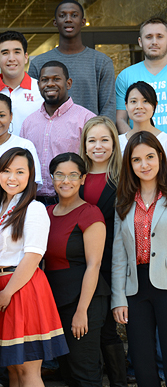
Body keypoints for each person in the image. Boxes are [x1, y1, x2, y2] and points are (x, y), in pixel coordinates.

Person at [0, 147, 68, 387]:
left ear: (30, 176)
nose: (12, 178)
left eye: (20, 172)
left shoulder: (34, 208)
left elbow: (33, 256)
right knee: (14, 372)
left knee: (29, 371)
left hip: (21, 288)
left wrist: (7, 293)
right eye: (6, 171)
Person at [45, 152, 109, 387]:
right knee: (68, 372)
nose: (66, 181)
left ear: (82, 179)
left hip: (84, 301)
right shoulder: (46, 213)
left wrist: (82, 311)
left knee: (85, 372)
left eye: (73, 175)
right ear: (51, 178)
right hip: (56, 300)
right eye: (59, 175)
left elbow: (94, 265)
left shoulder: (90, 212)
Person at [112, 131, 167, 387]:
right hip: (135, 289)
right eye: (136, 160)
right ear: (129, 164)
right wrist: (118, 298)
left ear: (160, 158)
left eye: (149, 157)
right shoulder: (123, 201)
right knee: (143, 362)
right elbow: (119, 255)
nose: (144, 165)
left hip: (165, 284)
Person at [78, 117, 127, 387]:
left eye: (105, 140)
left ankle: (119, 381)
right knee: (92, 328)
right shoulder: (76, 177)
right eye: (92, 140)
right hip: (80, 265)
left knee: (108, 327)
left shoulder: (123, 178)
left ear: (114, 143)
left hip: (112, 264)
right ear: (84, 145)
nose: (98, 146)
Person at [20, 61, 95, 205]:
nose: (50, 84)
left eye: (56, 79)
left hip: (73, 201)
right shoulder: (28, 123)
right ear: (38, 85)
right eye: (44, 80)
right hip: (34, 202)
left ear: (68, 83)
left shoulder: (86, 120)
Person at [28, 0, 116, 120]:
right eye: (62, 15)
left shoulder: (101, 62)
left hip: (89, 135)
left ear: (83, 21)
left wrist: (99, 135)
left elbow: (108, 107)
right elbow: (31, 105)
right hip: (48, 134)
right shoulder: (38, 63)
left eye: (74, 15)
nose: (68, 19)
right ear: (55, 22)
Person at [0, 31, 43, 136]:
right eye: (5, 53)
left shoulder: (41, 90)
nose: (11, 58)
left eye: (17, 52)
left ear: (26, 57)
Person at [116, 17, 167, 133]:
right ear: (140, 41)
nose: (154, 42)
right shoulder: (125, 76)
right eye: (149, 37)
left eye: (160, 36)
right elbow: (120, 118)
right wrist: (134, 144)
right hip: (139, 147)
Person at [119, 81, 167, 154]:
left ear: (154, 106)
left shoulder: (164, 140)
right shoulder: (118, 142)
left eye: (145, 101)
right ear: (126, 106)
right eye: (133, 101)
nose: (139, 106)